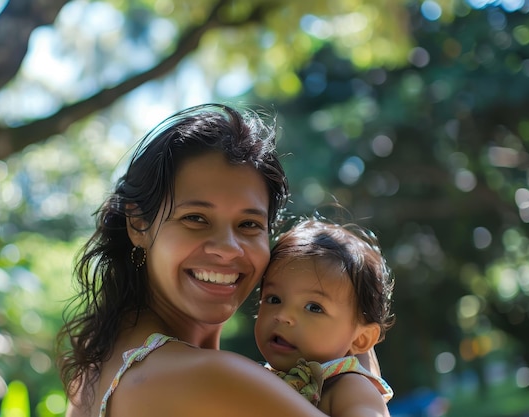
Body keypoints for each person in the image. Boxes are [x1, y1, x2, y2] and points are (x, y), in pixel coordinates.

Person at [57, 103, 341, 417]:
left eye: (249, 224)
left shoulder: (97, 369)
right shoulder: (206, 377)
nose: (229, 248)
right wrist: (355, 355)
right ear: (138, 224)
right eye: (196, 218)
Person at [254, 216, 396, 417]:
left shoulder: (349, 386)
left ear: (361, 338)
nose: (283, 315)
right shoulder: (258, 377)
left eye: (314, 307)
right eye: (274, 299)